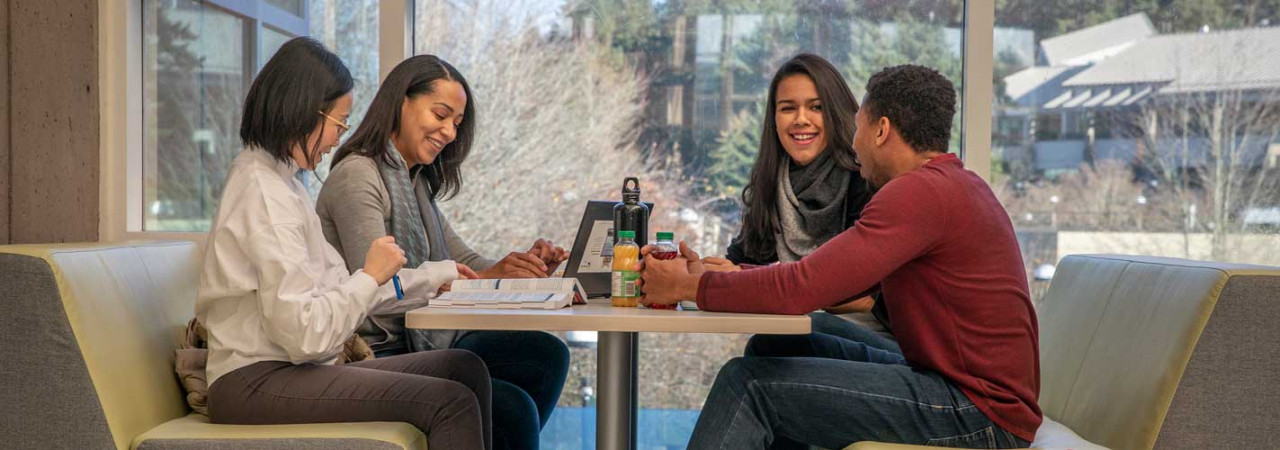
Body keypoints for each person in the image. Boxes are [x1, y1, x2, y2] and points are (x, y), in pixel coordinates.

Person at [639, 64, 1040, 449]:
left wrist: (690, 286)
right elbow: (820, 281)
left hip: (976, 411)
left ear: (881, 129)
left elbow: (802, 287)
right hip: (957, 387)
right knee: (776, 345)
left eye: (859, 124)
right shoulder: (953, 185)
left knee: (746, 384)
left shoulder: (915, 195)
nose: (854, 141)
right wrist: (725, 276)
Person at [197, 38, 492, 450]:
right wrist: (370, 275)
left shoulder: (286, 184)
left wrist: (432, 278)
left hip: (287, 369)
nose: (338, 138)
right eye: (338, 121)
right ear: (303, 110)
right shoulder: (264, 196)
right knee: (450, 401)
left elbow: (344, 286)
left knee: (464, 368)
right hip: (255, 380)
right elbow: (306, 335)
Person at [316, 54, 569, 450]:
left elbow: (464, 262)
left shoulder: (415, 182)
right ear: (401, 102)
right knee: (512, 409)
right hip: (376, 351)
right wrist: (487, 279)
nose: (450, 131)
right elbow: (379, 292)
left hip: (419, 339)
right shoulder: (357, 177)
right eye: (441, 114)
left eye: (457, 123)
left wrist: (521, 267)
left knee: (546, 353)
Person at [701, 54, 900, 368]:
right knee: (774, 347)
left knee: (775, 345)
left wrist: (747, 280)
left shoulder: (867, 183)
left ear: (835, 112)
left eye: (816, 107)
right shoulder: (772, 182)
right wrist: (695, 271)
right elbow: (742, 263)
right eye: (788, 108)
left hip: (888, 346)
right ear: (774, 118)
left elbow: (864, 295)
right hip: (813, 329)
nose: (801, 119)